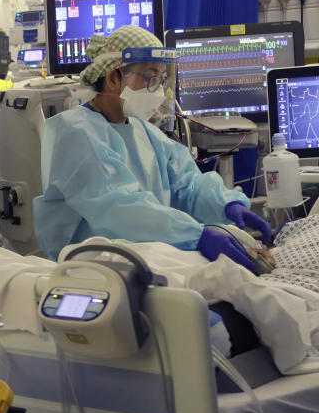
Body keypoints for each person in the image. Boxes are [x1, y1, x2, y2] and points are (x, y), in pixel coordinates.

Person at [33, 25, 271, 270]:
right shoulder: (77, 133)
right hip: (93, 264)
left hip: (146, 254)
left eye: (161, 79)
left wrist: (227, 205)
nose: (158, 91)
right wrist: (196, 235)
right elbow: (121, 209)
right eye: (150, 78)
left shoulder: (143, 131)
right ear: (114, 78)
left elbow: (187, 185)